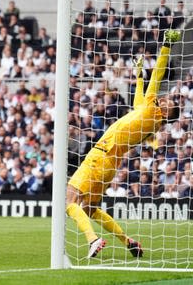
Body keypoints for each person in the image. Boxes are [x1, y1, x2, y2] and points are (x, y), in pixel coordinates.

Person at [66, 30, 181, 259]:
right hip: (110, 165)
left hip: (100, 155)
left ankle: (93, 239)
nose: (165, 99)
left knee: (69, 200)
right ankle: (127, 241)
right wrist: (139, 74)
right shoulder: (150, 118)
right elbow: (139, 98)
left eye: (168, 102)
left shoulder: (153, 109)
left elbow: (157, 76)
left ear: (165, 111)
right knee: (89, 208)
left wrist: (166, 45)